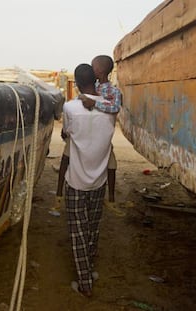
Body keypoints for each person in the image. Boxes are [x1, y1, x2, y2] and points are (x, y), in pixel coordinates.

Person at [63, 63, 116, 297]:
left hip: (76, 180)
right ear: (94, 81)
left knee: (78, 233)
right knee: (92, 230)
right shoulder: (111, 109)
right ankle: (90, 270)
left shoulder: (70, 108)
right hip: (99, 179)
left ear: (75, 82)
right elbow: (108, 105)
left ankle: (85, 283)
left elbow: (67, 132)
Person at [54, 55, 122, 209]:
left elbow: (114, 108)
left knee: (69, 156)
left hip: (96, 132)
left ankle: (110, 197)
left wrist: (95, 104)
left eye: (93, 66)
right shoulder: (96, 88)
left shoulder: (113, 92)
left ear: (98, 71)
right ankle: (59, 192)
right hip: (94, 129)